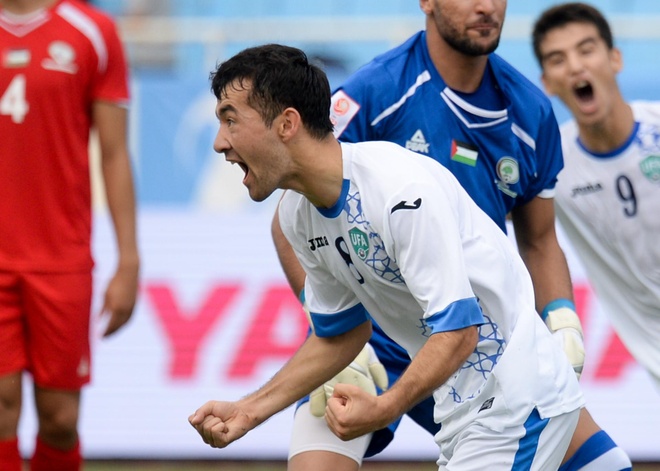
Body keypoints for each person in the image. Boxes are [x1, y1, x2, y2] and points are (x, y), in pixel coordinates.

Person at [271, 1, 632, 470]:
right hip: (376, 339)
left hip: (476, 338)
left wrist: (563, 320)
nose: (485, 6)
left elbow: (540, 241)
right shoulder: (375, 91)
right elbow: (291, 213)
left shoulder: (529, 111)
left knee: (607, 466)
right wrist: (331, 330)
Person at [189, 43, 584, 470]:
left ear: (287, 123)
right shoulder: (296, 215)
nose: (219, 143)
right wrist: (250, 410)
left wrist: (385, 407)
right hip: (465, 410)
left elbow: (460, 332)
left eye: (230, 120)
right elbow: (340, 335)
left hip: (516, 399)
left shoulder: (398, 191)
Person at [0, 1, 140, 470]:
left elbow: (115, 154)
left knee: (59, 418)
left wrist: (129, 260)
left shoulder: (93, 32)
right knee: (0, 407)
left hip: (61, 257)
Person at [533, 2, 660, 390]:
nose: (575, 66)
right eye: (558, 59)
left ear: (615, 58)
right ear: (547, 83)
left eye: (586, 50)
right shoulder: (552, 164)